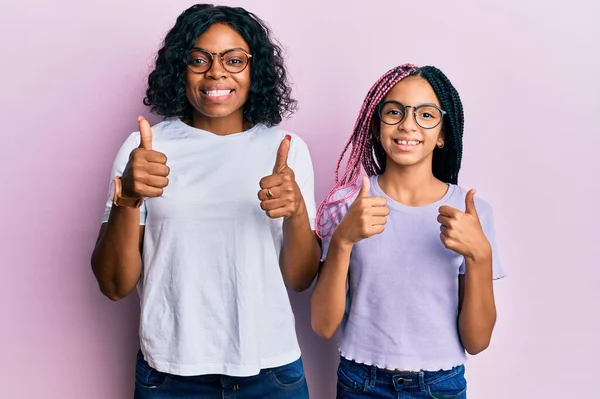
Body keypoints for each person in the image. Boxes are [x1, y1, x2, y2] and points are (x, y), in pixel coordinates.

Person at [91, 4, 320, 398]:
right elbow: (114, 285)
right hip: (170, 374)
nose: (216, 72)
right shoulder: (143, 149)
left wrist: (297, 211)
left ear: (255, 70)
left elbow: (300, 280)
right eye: (199, 59)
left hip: (271, 372)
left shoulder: (285, 148)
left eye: (234, 60)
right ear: (180, 69)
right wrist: (127, 198)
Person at [311, 64, 506, 398]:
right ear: (375, 126)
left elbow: (477, 342)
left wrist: (481, 256)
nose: (407, 124)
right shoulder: (349, 204)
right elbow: (322, 325)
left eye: (426, 114)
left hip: (440, 386)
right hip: (360, 384)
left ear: (444, 133)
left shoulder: (471, 213)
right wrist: (343, 239)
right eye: (394, 112)